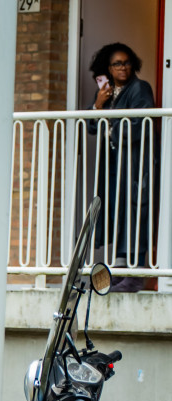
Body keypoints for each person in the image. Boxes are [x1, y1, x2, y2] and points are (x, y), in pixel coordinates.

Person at [89, 42, 156, 293]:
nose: (123, 68)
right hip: (115, 164)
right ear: (107, 67)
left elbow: (139, 123)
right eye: (117, 64)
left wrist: (111, 121)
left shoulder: (139, 88)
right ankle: (119, 271)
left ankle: (135, 274)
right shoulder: (107, 93)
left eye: (127, 62)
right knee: (117, 213)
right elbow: (93, 126)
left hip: (136, 162)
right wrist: (98, 105)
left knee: (134, 212)